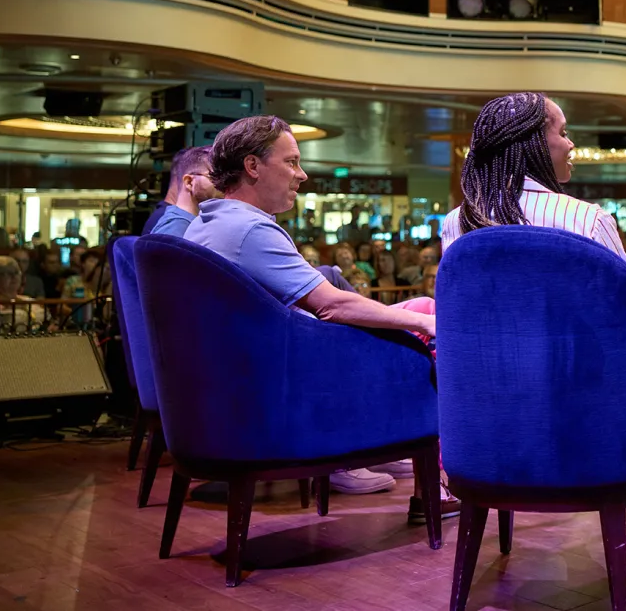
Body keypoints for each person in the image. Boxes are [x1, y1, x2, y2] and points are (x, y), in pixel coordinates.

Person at [182, 116, 443, 506]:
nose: (302, 175)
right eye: (291, 162)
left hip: (246, 379)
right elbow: (332, 305)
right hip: (281, 387)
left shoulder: (209, 222)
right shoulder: (249, 229)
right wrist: (426, 323)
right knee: (426, 318)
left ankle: (408, 451)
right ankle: (436, 474)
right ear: (253, 166)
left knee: (422, 306)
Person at [439, 92, 626, 261]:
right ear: (535, 144)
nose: (570, 143)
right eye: (563, 133)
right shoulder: (589, 220)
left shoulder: (457, 221)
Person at [149, 146, 219, 237]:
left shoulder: (188, 224)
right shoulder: (175, 227)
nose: (223, 184)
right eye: (214, 177)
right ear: (189, 182)